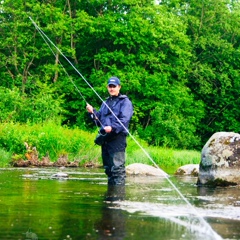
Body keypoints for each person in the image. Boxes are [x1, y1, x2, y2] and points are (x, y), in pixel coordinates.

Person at [86, 76, 133, 185]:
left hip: (117, 139)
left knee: (117, 170)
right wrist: (92, 112)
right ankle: (110, 198)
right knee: (108, 169)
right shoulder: (105, 102)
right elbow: (99, 121)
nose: (112, 88)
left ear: (119, 87)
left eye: (114, 86)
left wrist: (112, 128)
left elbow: (124, 120)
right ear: (107, 87)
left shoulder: (125, 102)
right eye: (110, 86)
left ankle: (118, 197)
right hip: (106, 139)